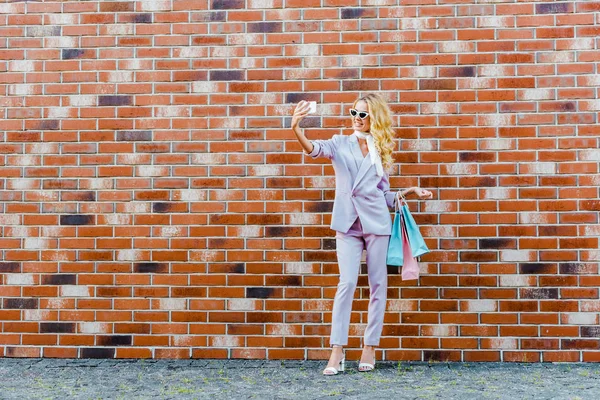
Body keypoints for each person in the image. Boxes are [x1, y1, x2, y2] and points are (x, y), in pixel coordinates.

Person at [290, 94, 433, 375]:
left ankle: (370, 347)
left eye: (364, 114)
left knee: (378, 286)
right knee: (347, 284)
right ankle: (337, 351)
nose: (357, 117)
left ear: (375, 118)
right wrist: (297, 129)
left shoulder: (380, 148)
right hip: (347, 223)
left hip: (376, 223)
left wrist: (410, 191)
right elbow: (314, 149)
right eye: (354, 112)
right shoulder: (339, 143)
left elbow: (382, 194)